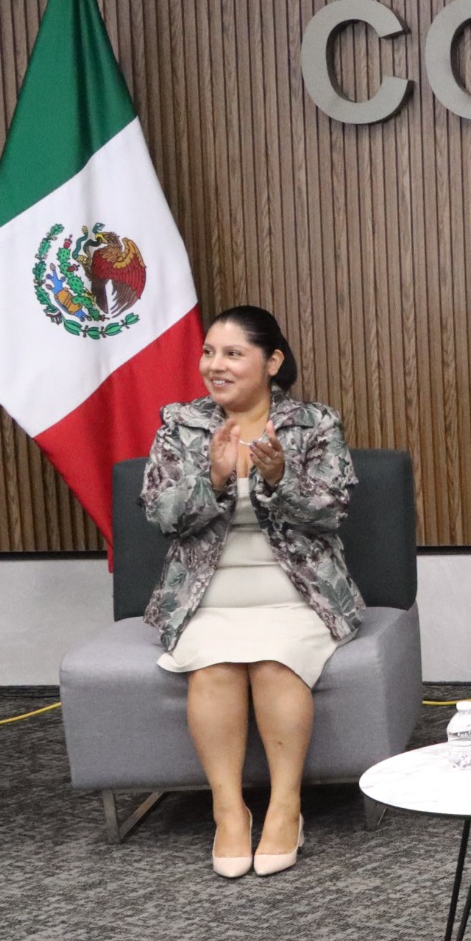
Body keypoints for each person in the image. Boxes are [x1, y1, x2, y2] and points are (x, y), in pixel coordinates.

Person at [143, 307, 362, 879]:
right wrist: (214, 480)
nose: (215, 365)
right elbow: (161, 515)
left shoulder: (314, 423)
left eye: (233, 354)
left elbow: (331, 512)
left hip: (297, 590)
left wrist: (279, 479)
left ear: (272, 361)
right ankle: (229, 812)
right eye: (209, 352)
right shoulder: (180, 423)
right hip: (206, 593)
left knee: (273, 663)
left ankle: (286, 808)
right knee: (213, 668)